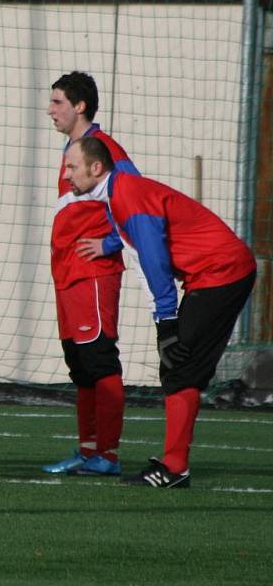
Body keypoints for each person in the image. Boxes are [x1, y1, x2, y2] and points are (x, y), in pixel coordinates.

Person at [63, 137, 256, 488]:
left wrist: (166, 321)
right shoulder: (119, 193)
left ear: (96, 168)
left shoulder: (126, 196)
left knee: (179, 366)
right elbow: (138, 239)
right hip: (213, 274)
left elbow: (155, 260)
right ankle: (174, 463)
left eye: (72, 167)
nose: (66, 174)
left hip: (222, 272)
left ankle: (174, 468)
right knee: (180, 367)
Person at [43, 71, 140, 476]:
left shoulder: (106, 150)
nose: (51, 110)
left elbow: (137, 197)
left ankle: (109, 454)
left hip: (94, 274)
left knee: (99, 359)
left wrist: (110, 244)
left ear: (80, 106)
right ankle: (88, 451)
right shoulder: (74, 152)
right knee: (80, 363)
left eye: (58, 102)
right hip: (69, 274)